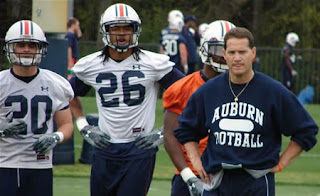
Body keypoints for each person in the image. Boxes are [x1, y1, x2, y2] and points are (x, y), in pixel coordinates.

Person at [174, 27, 318, 196]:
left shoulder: (273, 91)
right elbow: (186, 130)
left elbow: (306, 131)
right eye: (232, 52)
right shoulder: (208, 92)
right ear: (224, 54)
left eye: (242, 52)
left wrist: (281, 164)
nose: (237, 58)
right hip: (217, 181)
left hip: (256, 182)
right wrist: (196, 162)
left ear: (253, 53)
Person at [69, 3, 184, 196]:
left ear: (135, 31)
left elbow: (189, 94)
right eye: (115, 28)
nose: (121, 34)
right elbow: (68, 95)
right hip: (104, 148)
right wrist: (84, 125)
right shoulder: (90, 64)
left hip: (139, 149)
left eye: (127, 28)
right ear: (105, 31)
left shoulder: (154, 63)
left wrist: (164, 132)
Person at [0, 20, 74, 196]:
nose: (26, 49)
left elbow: (67, 125)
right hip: (4, 164)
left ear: (40, 48)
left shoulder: (55, 83)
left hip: (40, 164)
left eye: (32, 45)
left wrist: (56, 137)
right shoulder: (1, 82)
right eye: (21, 45)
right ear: (11, 48)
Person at [163, 20, 236, 196]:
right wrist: (188, 176)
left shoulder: (249, 88)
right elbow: (170, 135)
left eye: (231, 50)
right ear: (206, 48)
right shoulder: (182, 88)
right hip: (193, 174)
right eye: (220, 49)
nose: (225, 56)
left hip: (233, 176)